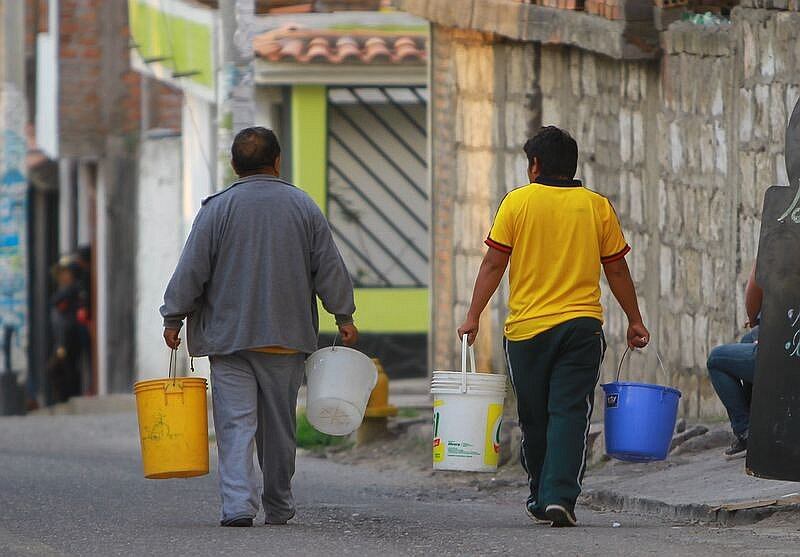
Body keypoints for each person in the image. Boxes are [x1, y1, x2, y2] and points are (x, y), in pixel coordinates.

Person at [161, 127, 358, 527]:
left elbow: (192, 270)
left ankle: (237, 505)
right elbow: (329, 268)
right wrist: (344, 315)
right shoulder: (303, 207)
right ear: (277, 161)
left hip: (229, 340)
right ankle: (279, 504)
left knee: (235, 424)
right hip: (285, 340)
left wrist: (173, 316)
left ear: (235, 165)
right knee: (279, 428)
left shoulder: (217, 210)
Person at [458, 126, 649, 528]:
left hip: (526, 332)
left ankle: (541, 493)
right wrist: (634, 319)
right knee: (569, 412)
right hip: (581, 327)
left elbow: (495, 263)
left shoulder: (517, 203)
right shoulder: (596, 206)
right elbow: (615, 267)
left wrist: (473, 315)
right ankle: (558, 495)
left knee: (535, 417)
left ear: (535, 165)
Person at [706, 265, 762, 458]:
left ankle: (746, 431)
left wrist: (755, 319)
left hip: (787, 347)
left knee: (716, 359)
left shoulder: (780, 242)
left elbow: (755, 285)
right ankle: (755, 425)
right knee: (748, 340)